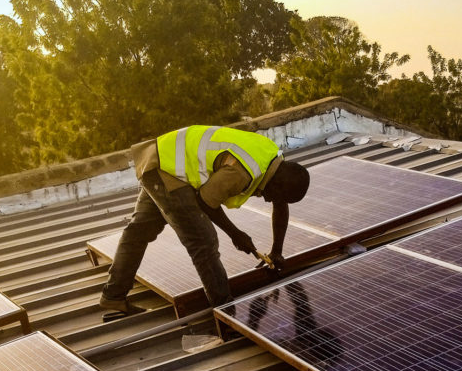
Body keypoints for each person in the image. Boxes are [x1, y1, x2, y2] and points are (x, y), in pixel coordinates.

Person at [99, 125, 311, 315]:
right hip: (170, 169)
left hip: (162, 158)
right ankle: (225, 311)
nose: (269, 199)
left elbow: (280, 204)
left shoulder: (273, 158)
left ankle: (113, 296)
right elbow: (206, 203)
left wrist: (277, 250)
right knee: (204, 240)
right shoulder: (243, 171)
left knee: (138, 231)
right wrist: (236, 234)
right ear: (278, 185)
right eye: (274, 196)